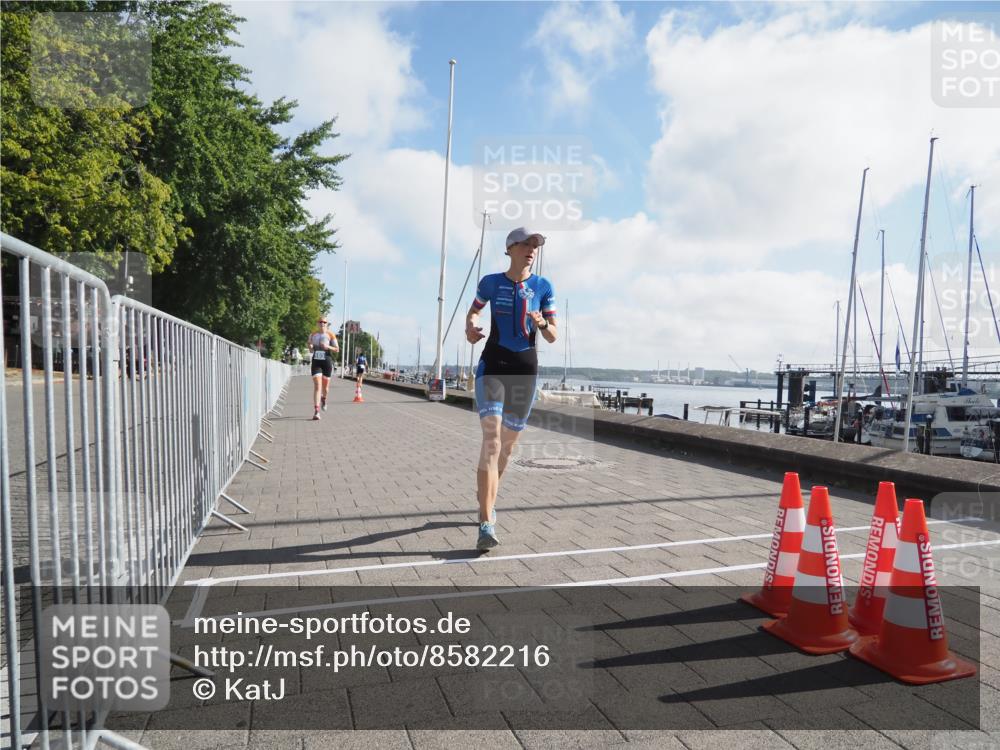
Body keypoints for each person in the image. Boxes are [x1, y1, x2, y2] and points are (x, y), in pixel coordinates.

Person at [465, 227, 557, 551]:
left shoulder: (543, 286)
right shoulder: (491, 282)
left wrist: (542, 323)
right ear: (510, 248)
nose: (532, 249)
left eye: (536, 245)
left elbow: (553, 335)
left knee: (506, 448)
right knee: (491, 440)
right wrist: (470, 326)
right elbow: (474, 309)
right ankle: (486, 520)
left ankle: (486, 498)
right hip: (493, 366)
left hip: (525, 371)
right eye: (526, 244)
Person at [308, 318, 339, 420]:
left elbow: (337, 349)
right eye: (320, 322)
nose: (322, 323)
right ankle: (316, 411)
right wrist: (310, 346)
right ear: (317, 323)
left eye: (324, 322)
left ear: (327, 324)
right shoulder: (313, 334)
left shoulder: (330, 335)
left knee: (325, 388)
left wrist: (328, 347)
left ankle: (324, 399)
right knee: (318, 385)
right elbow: (310, 348)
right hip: (316, 361)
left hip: (327, 361)